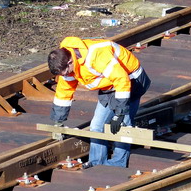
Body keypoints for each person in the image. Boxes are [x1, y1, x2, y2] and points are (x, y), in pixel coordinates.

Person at [47, 36, 150, 167]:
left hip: (131, 81)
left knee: (123, 126)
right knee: (96, 125)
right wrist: (58, 121)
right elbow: (63, 91)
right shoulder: (68, 68)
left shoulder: (96, 56)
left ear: (70, 62)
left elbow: (122, 80)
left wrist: (119, 113)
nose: (65, 76)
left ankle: (118, 163)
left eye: (66, 72)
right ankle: (97, 163)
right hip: (108, 86)